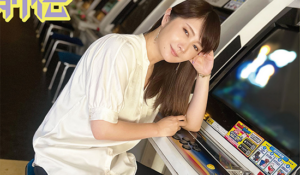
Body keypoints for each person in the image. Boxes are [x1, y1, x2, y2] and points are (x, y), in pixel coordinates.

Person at [32, 0, 221, 174]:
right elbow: (102, 129)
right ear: (167, 16)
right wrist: (157, 128)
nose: (184, 47)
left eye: (195, 47)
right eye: (186, 31)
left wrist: (204, 74)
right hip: (65, 164)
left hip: (109, 165)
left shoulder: (161, 73)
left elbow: (191, 123)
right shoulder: (118, 49)